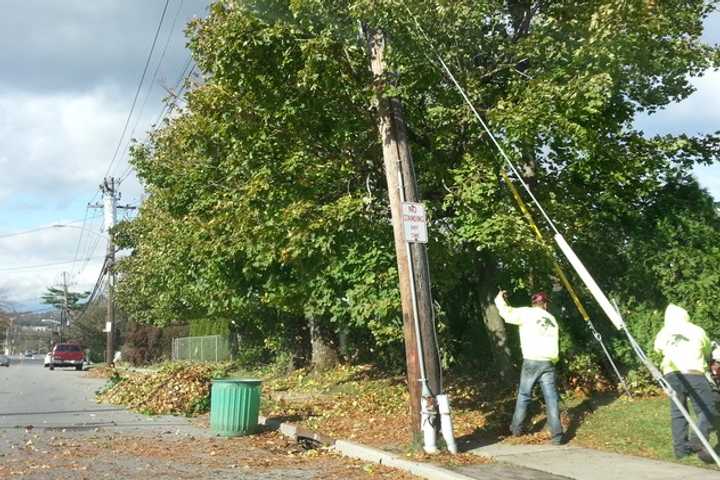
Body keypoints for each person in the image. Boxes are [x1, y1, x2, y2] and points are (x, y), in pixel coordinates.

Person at [495, 290, 564, 445]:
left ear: (534, 303)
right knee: (551, 399)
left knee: (524, 395)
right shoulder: (552, 319)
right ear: (545, 304)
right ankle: (557, 436)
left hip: (531, 361)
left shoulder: (527, 313)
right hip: (548, 362)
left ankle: (516, 429)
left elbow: (507, 313)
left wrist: (499, 298)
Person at [654, 303, 718, 463]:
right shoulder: (696, 330)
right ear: (685, 315)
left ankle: (681, 451)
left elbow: (658, 349)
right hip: (693, 371)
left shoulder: (663, 332)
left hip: (671, 373)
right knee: (709, 408)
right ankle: (697, 439)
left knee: (678, 412)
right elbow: (706, 351)